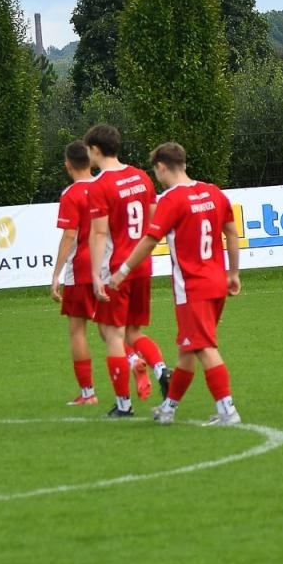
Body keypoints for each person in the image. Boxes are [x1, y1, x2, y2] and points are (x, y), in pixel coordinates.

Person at [108, 142, 243, 425]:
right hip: (217, 282)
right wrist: (233, 272)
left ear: (160, 167)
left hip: (192, 288)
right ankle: (168, 409)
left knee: (204, 347)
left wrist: (122, 271)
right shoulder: (212, 192)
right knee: (187, 350)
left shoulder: (172, 199)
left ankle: (228, 410)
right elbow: (231, 232)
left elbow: (149, 240)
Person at [84, 124, 169, 402]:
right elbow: (155, 219)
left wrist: (96, 275)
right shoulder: (141, 177)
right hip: (141, 264)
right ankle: (159, 369)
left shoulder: (99, 186)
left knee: (113, 335)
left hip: (116, 268)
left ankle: (123, 404)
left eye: (89, 150)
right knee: (132, 331)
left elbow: (98, 233)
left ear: (96, 150)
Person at [51, 140, 100, 407]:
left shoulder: (71, 194)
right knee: (112, 329)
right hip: (109, 267)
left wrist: (56, 275)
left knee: (77, 330)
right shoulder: (106, 186)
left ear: (67, 164)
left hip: (81, 269)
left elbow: (70, 235)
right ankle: (133, 359)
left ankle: (88, 393)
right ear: (91, 161)